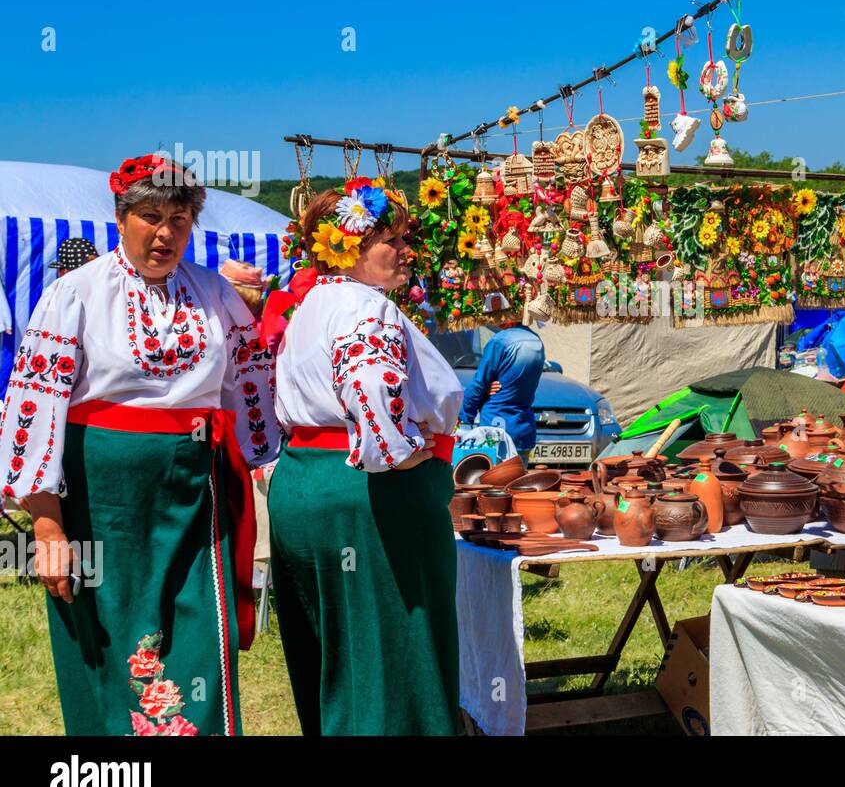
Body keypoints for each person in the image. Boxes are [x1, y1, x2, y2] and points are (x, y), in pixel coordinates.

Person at [0, 154, 279, 735]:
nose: (165, 232)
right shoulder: (74, 295)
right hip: (104, 501)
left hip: (192, 495)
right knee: (111, 629)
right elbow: (36, 404)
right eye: (150, 216)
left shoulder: (213, 293)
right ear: (122, 218)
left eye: (179, 218)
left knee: (201, 625)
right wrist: (47, 529)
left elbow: (248, 382)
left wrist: (264, 460)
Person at [266, 177, 463, 735]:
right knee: (394, 653)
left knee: (335, 654)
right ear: (349, 244)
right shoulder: (363, 306)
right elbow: (368, 381)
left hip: (304, 486)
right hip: (368, 495)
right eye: (391, 240)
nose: (406, 251)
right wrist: (397, 451)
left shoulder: (307, 305)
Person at [459, 321, 545, 464]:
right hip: (523, 427)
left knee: (492, 483)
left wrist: (464, 419)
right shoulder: (536, 340)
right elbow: (516, 382)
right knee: (518, 482)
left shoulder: (500, 340)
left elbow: (479, 382)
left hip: (496, 428)